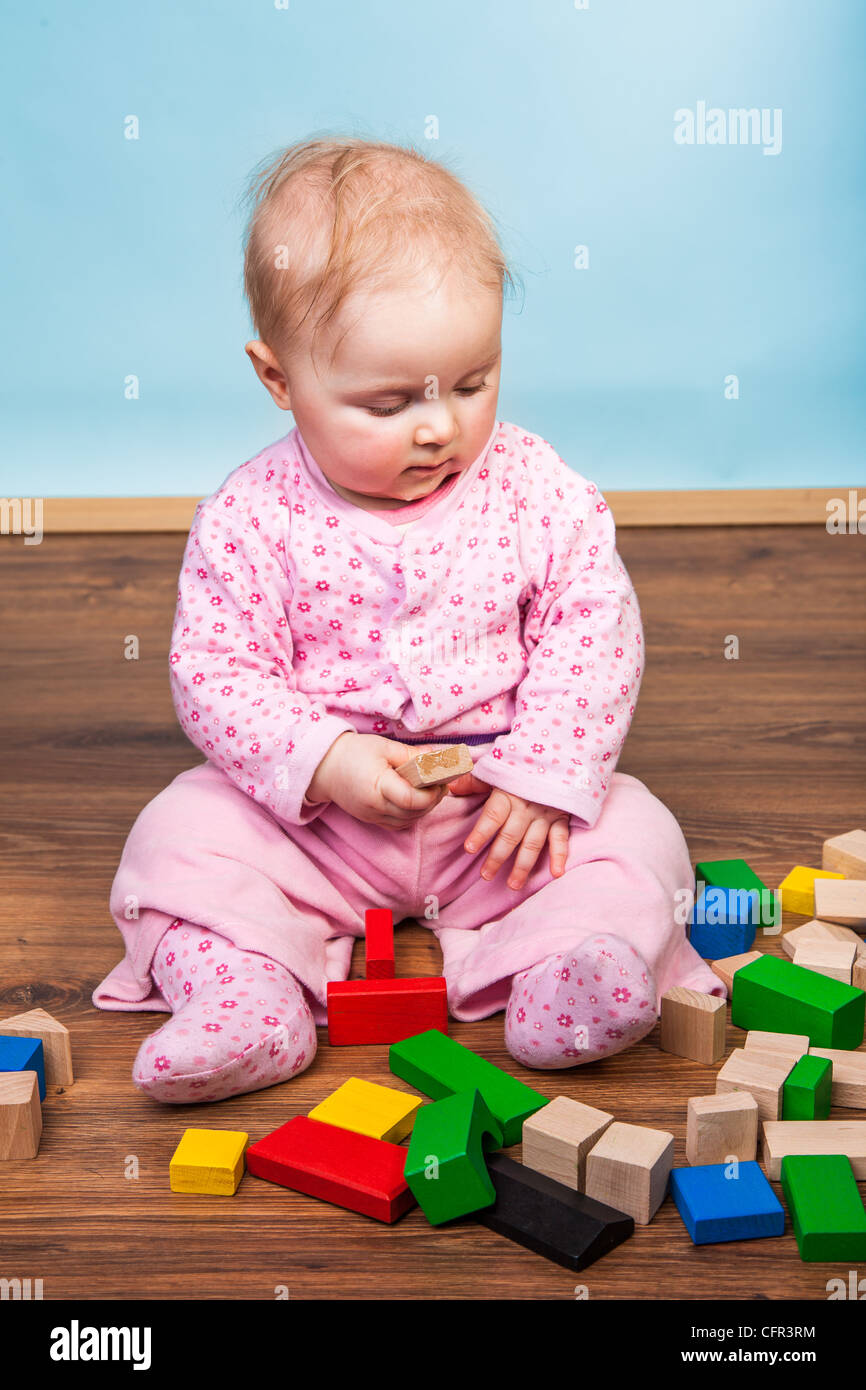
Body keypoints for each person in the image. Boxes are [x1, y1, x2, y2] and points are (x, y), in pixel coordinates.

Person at [92, 135, 723, 1103]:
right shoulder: (250, 517)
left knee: (640, 834)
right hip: (317, 826)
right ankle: (245, 989)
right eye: (388, 403)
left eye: (471, 382)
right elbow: (215, 673)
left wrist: (549, 772)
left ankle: (563, 972)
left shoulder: (530, 489)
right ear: (278, 379)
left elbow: (591, 624)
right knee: (172, 836)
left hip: (498, 819)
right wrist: (322, 757)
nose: (439, 426)